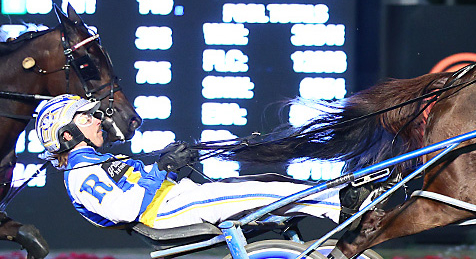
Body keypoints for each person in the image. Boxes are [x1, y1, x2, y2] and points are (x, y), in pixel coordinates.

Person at [34, 94, 342, 230]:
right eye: (87, 119)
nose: (98, 121)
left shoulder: (95, 163)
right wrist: (162, 168)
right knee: (264, 194)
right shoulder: (80, 177)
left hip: (175, 199)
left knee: (271, 183)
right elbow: (123, 209)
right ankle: (341, 204)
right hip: (166, 213)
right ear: (67, 137)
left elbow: (139, 183)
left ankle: (338, 199)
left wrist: (168, 162)